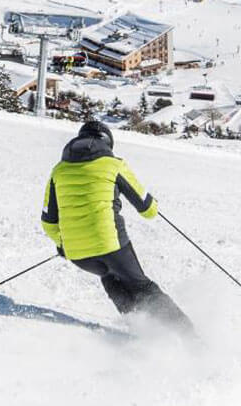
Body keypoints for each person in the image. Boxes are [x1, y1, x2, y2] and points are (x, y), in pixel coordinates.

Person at [40, 121, 195, 335]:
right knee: (142, 287)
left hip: (78, 255)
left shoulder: (58, 170)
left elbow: (48, 222)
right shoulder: (113, 165)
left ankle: (142, 330)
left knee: (109, 277)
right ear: (108, 143)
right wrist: (152, 203)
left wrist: (62, 245)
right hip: (110, 243)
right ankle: (190, 338)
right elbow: (147, 209)